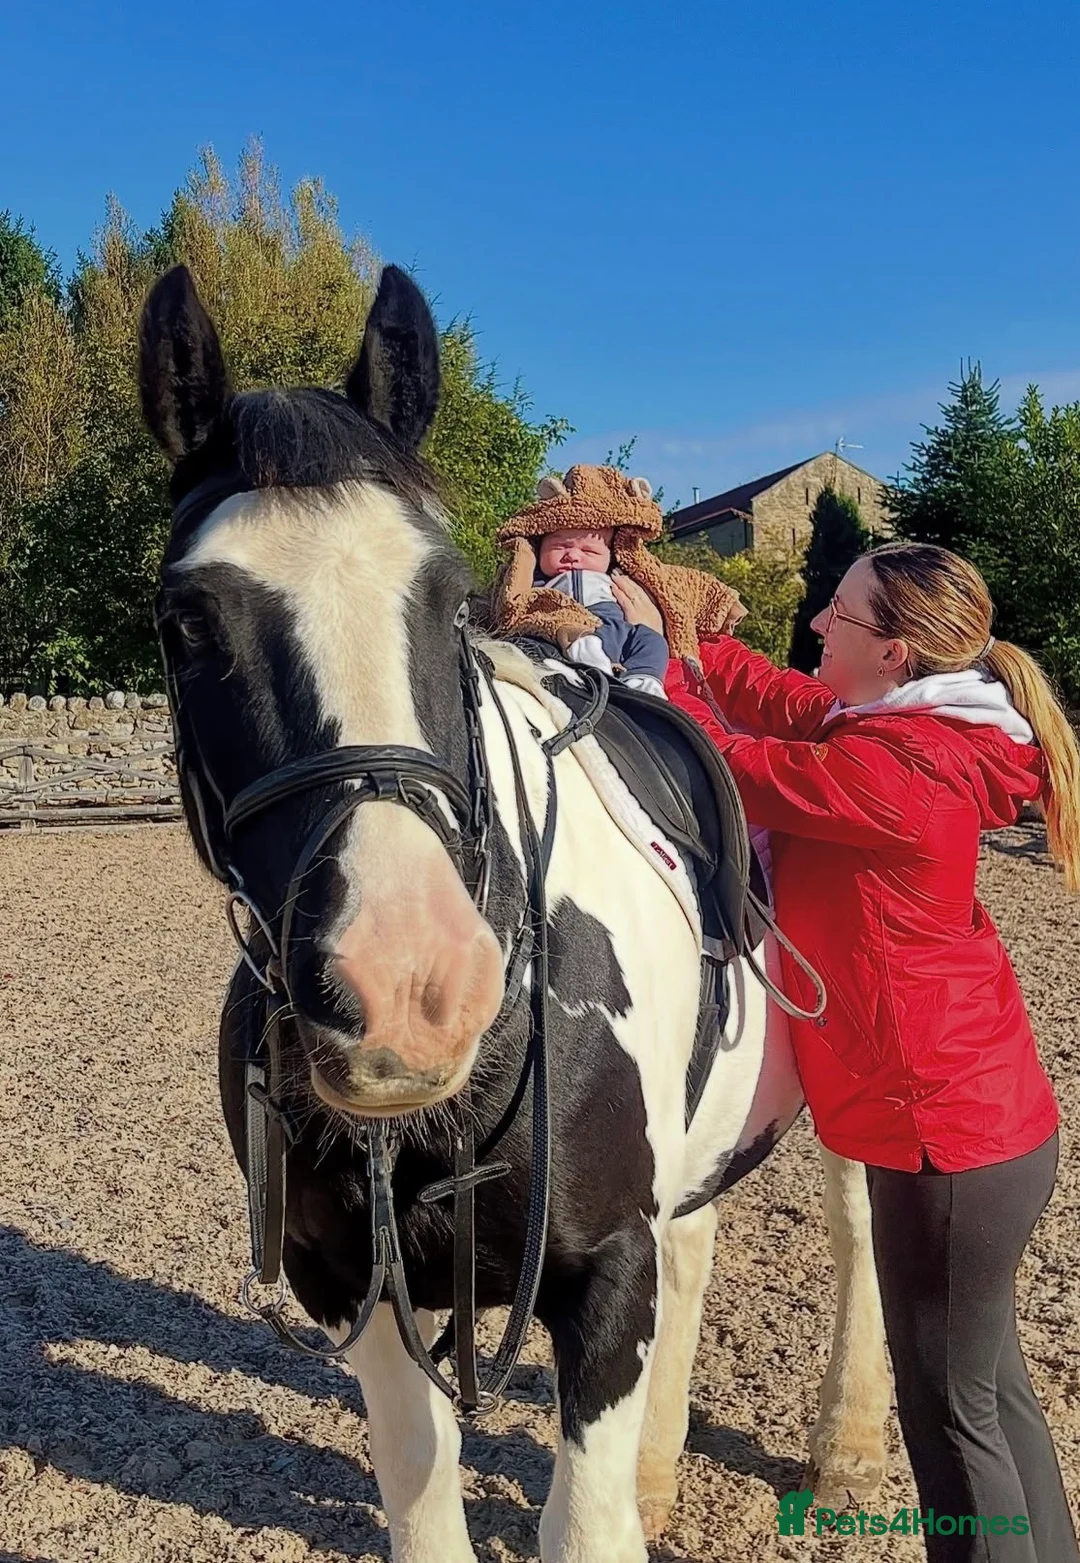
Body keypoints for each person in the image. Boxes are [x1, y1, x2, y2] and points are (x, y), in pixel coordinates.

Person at [612, 543, 1080, 1563]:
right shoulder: (908, 727)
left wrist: (650, 663)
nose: (819, 624)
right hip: (983, 1127)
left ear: (896, 653)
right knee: (993, 1394)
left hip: (944, 1147)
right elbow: (775, 702)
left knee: (953, 1423)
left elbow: (734, 766)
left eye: (839, 613)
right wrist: (693, 638)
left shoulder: (895, 769)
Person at [533, 524, 670, 697]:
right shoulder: (536, 583)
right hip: (565, 626)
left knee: (653, 640)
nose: (573, 556)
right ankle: (594, 668)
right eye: (559, 546)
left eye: (589, 551)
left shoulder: (619, 577)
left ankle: (643, 681)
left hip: (617, 628)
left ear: (611, 556)